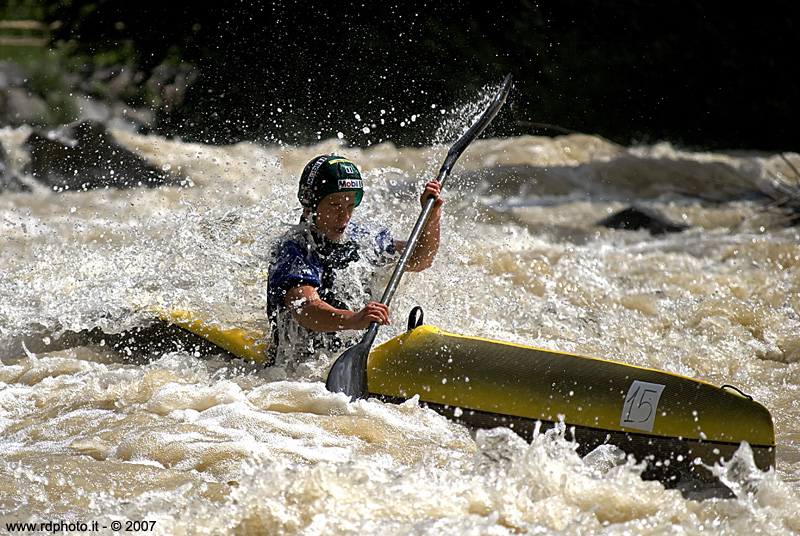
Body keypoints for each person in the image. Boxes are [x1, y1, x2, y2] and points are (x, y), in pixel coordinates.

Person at [266, 154, 443, 372]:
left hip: (348, 349)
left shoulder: (362, 238)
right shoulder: (294, 249)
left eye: (350, 205)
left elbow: (419, 259)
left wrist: (432, 216)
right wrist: (353, 320)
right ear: (310, 205)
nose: (345, 216)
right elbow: (305, 309)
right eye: (335, 205)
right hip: (302, 363)